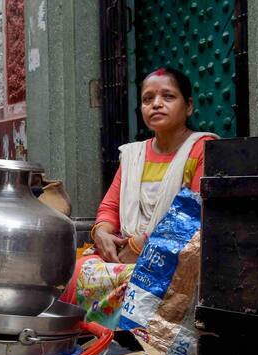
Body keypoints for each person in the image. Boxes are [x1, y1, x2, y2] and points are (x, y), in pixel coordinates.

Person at [60, 67, 218, 325]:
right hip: (125, 252)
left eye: (168, 97)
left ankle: (136, 352)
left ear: (188, 106)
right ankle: (92, 346)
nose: (156, 104)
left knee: (139, 282)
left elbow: (194, 218)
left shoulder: (202, 148)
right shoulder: (133, 155)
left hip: (177, 255)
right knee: (75, 270)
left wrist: (139, 247)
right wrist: (101, 233)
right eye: (148, 99)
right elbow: (110, 206)